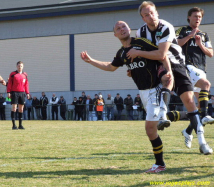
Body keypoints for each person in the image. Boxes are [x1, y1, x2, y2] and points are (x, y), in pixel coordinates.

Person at [81, 21, 172, 173]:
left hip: (155, 88)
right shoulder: (121, 53)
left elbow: (161, 55)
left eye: (124, 26)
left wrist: (168, 72)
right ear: (115, 34)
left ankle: (160, 164)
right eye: (118, 28)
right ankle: (185, 116)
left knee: (150, 128)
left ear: (129, 29)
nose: (122, 29)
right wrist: (91, 61)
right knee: (152, 128)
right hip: (143, 93)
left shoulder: (141, 43)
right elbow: (110, 67)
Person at [126, 1, 212, 155]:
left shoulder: (166, 27)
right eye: (146, 15)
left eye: (152, 12)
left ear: (157, 13)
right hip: (156, 67)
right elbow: (143, 56)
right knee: (162, 81)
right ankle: (162, 115)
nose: (150, 16)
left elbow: (161, 54)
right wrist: (135, 69)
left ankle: (202, 141)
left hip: (177, 64)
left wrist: (138, 53)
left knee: (190, 103)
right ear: (143, 18)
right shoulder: (140, 33)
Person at [175, 7, 214, 146]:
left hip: (201, 68)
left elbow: (210, 53)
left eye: (200, 17)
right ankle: (205, 116)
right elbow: (175, 44)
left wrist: (199, 44)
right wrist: (190, 36)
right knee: (206, 85)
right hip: (187, 67)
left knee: (197, 108)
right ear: (189, 17)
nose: (198, 19)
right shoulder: (182, 30)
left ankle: (188, 131)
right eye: (195, 16)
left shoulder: (204, 35)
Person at [7, 61, 30, 130]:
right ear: (16, 66)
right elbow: (9, 84)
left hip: (22, 93)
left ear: (23, 67)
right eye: (19, 66)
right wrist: (8, 92)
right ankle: (14, 125)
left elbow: (26, 85)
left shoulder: (25, 75)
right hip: (14, 93)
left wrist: (27, 93)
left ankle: (20, 125)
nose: (20, 67)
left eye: (21, 66)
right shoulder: (13, 74)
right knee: (14, 108)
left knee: (21, 109)